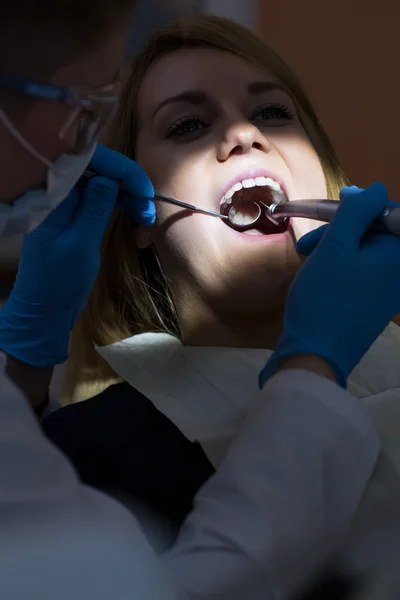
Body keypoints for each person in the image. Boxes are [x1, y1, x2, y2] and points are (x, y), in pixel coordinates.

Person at [0, 8, 399, 600]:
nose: (244, 134)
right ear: (142, 218)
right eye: (186, 125)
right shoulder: (91, 455)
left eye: (272, 113)